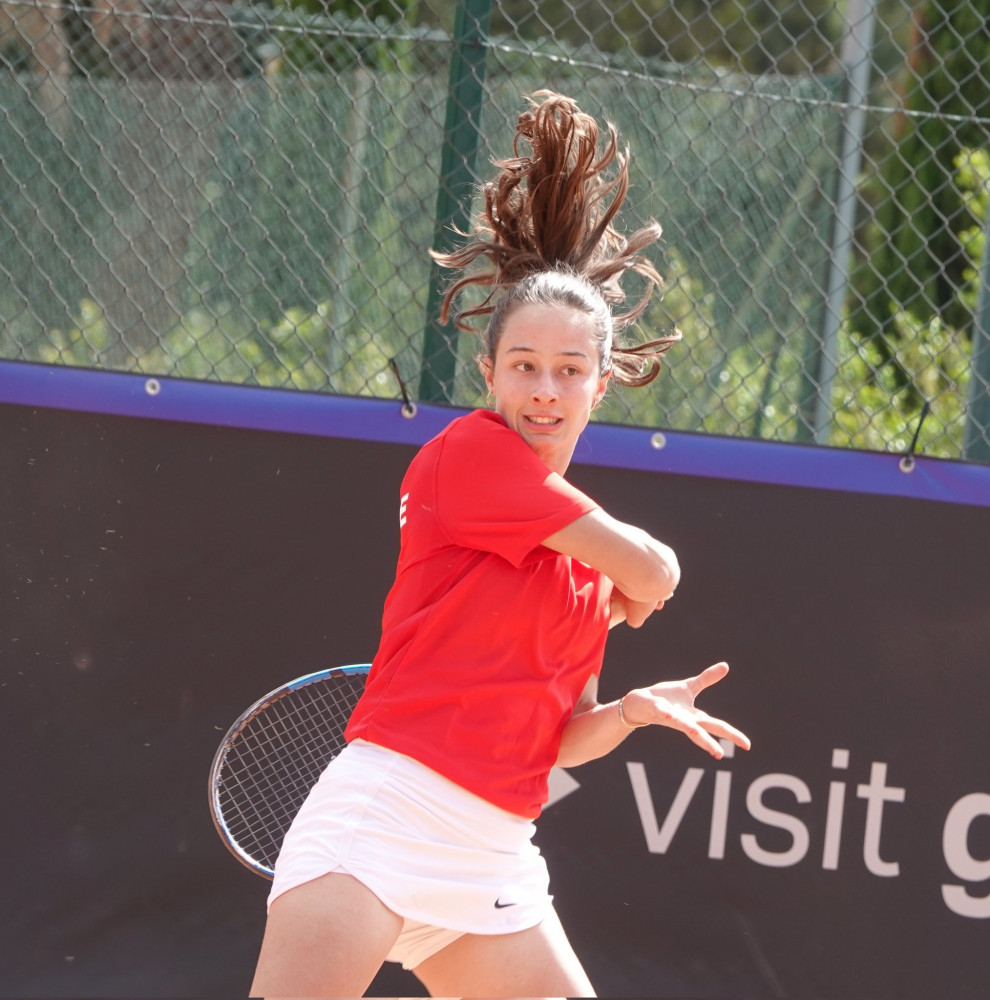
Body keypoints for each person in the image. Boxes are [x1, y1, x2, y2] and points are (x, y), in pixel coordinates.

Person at [249, 90, 750, 999]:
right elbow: (657, 569)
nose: (545, 391)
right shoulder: (470, 456)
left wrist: (633, 711)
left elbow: (558, 739)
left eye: (568, 371)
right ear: (489, 373)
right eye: (524, 366)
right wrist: (644, 571)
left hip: (492, 860)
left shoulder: (582, 560)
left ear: (603, 383)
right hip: (381, 822)